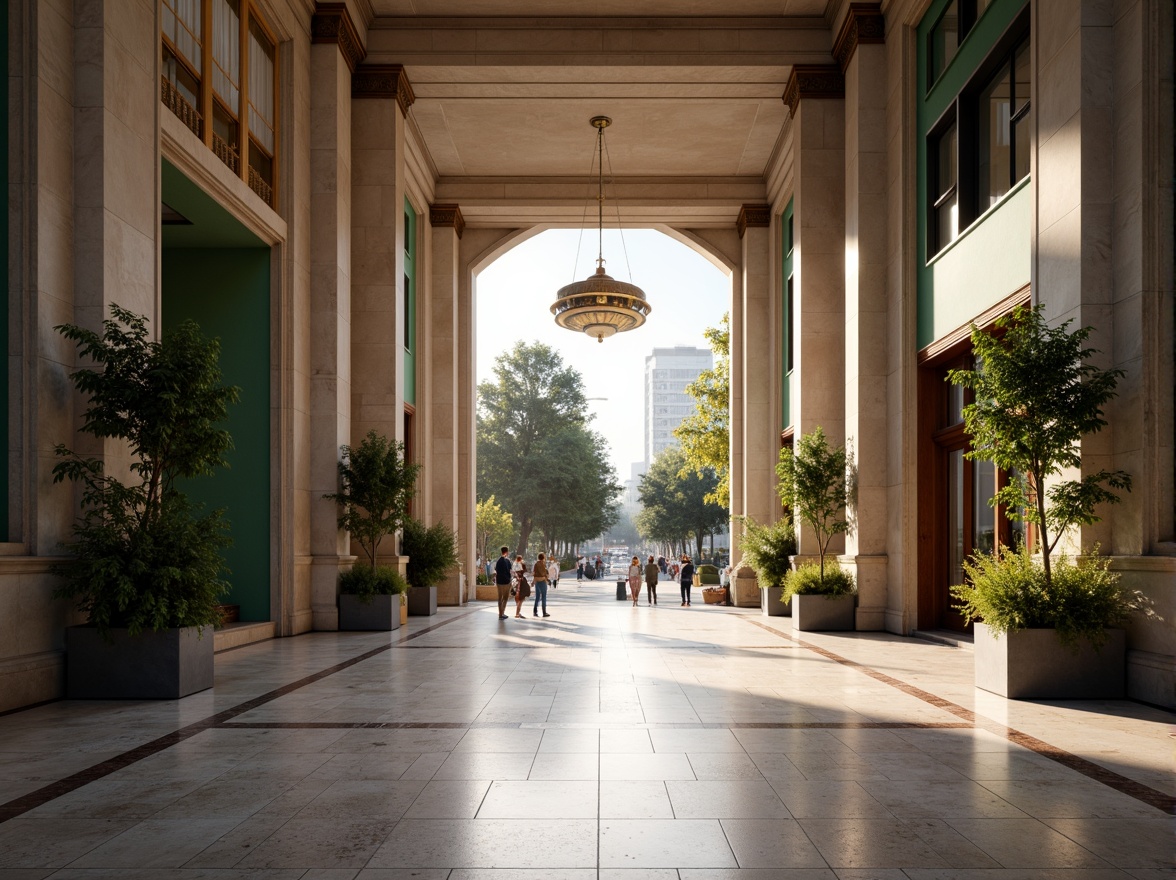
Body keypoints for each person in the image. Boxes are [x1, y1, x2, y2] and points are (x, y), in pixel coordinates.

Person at [493, 546, 514, 620]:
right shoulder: (507, 561)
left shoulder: (498, 561)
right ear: (506, 552)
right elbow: (510, 571)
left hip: (499, 582)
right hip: (506, 582)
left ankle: (500, 614)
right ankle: (502, 612)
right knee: (505, 598)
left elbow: (497, 571)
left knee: (500, 598)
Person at [532, 552, 551, 617]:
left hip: (537, 581)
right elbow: (545, 574)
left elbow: (534, 573)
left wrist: (533, 581)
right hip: (542, 581)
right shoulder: (543, 564)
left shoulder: (536, 564)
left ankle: (535, 611)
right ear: (543, 557)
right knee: (543, 596)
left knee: (537, 597)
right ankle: (544, 612)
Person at [513, 554, 531, 618]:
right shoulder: (522, 565)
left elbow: (513, 573)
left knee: (517, 598)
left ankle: (518, 612)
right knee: (521, 598)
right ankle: (517, 613)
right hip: (522, 582)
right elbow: (525, 572)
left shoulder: (514, 565)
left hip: (516, 582)